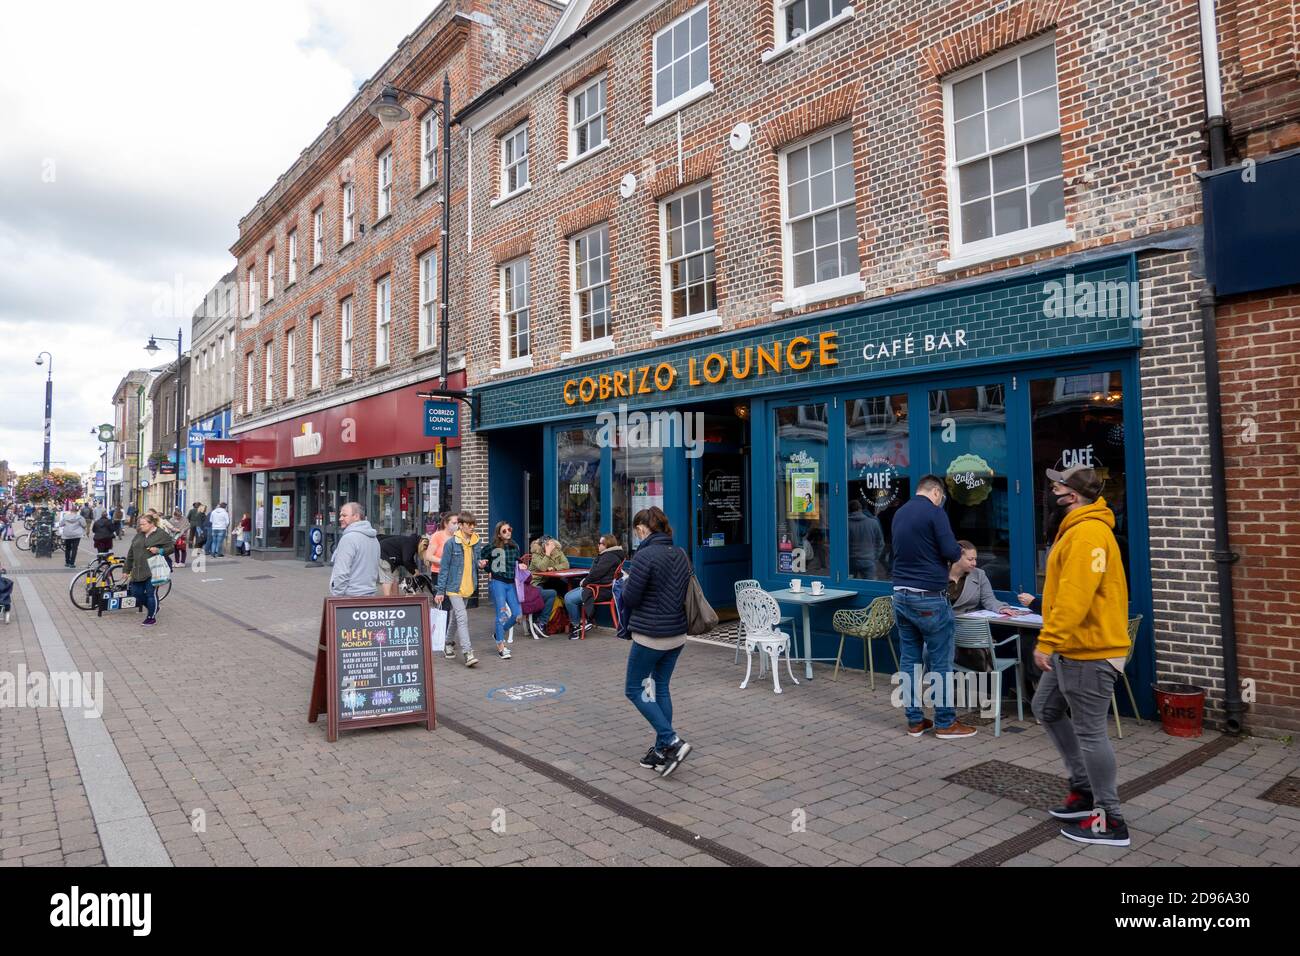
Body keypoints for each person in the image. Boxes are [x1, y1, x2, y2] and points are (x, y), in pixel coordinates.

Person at [1032, 466, 1132, 847]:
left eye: (1057, 486)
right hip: (1074, 647)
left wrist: (1048, 640)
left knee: (1091, 732)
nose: (1052, 491)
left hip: (1089, 650)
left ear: (1071, 496)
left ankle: (1110, 818)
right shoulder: (1078, 529)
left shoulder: (1088, 533)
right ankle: (1083, 789)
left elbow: (1077, 595)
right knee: (1046, 707)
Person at [890, 474, 977, 739]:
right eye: (942, 496)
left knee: (909, 661)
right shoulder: (934, 512)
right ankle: (945, 723)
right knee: (940, 662)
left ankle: (915, 721)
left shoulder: (899, 513)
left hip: (900, 595)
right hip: (929, 597)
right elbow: (952, 552)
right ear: (936, 492)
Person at [619, 507, 693, 778]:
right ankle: (662, 751)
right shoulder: (681, 553)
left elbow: (631, 598)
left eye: (636, 529)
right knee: (660, 687)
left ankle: (671, 740)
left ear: (642, 528)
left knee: (633, 689)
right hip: (677, 635)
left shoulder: (644, 555)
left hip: (650, 635)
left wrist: (624, 585)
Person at [434, 511, 486, 666]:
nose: (472, 528)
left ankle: (448, 642)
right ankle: (468, 653)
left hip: (468, 586)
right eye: (469, 525)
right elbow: (444, 568)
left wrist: (480, 564)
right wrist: (440, 591)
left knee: (456, 617)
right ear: (461, 526)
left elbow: (475, 561)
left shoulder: (476, 541)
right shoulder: (451, 543)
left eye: (473, 525)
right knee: (462, 618)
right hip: (453, 587)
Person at [563, 533, 624, 640]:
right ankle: (583, 622)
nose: (598, 545)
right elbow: (597, 573)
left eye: (600, 543)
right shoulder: (612, 555)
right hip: (599, 587)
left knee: (569, 599)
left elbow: (596, 573)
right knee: (568, 595)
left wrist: (585, 582)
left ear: (607, 545)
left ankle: (578, 625)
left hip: (600, 590)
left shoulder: (609, 557)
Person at [124, 512, 173, 627]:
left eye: (143, 524)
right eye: (140, 524)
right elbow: (131, 553)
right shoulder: (139, 535)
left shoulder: (161, 534)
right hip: (138, 570)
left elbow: (171, 548)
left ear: (151, 524)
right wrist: (126, 570)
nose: (141, 526)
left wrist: (159, 551)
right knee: (136, 593)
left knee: (151, 594)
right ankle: (154, 607)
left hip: (153, 570)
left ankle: (151, 617)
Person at [329, 502, 380, 597]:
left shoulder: (348, 539)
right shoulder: (374, 539)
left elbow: (342, 572)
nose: (340, 519)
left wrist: (337, 595)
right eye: (340, 515)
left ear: (356, 516)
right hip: (369, 595)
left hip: (350, 597)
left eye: (344, 515)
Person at [487, 521, 523, 649]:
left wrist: (521, 565)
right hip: (498, 583)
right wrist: (487, 569)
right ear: (499, 534)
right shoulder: (492, 547)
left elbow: (517, 561)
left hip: (511, 583)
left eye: (509, 529)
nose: (508, 532)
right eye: (504, 531)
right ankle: (500, 646)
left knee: (517, 614)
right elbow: (483, 559)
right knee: (501, 614)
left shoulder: (515, 546)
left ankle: (498, 634)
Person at [847, 499, 886, 578]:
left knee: (849, 587)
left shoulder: (846, 524)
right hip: (868, 559)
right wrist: (875, 557)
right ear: (860, 509)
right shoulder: (873, 522)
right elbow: (880, 543)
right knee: (870, 587)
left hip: (850, 559)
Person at [378, 532, 422, 596]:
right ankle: (387, 601)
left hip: (390, 558)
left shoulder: (411, 542)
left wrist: (415, 569)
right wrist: (413, 571)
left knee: (395, 578)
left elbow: (409, 559)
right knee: (387, 579)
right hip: (383, 555)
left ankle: (396, 600)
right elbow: (406, 560)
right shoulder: (410, 544)